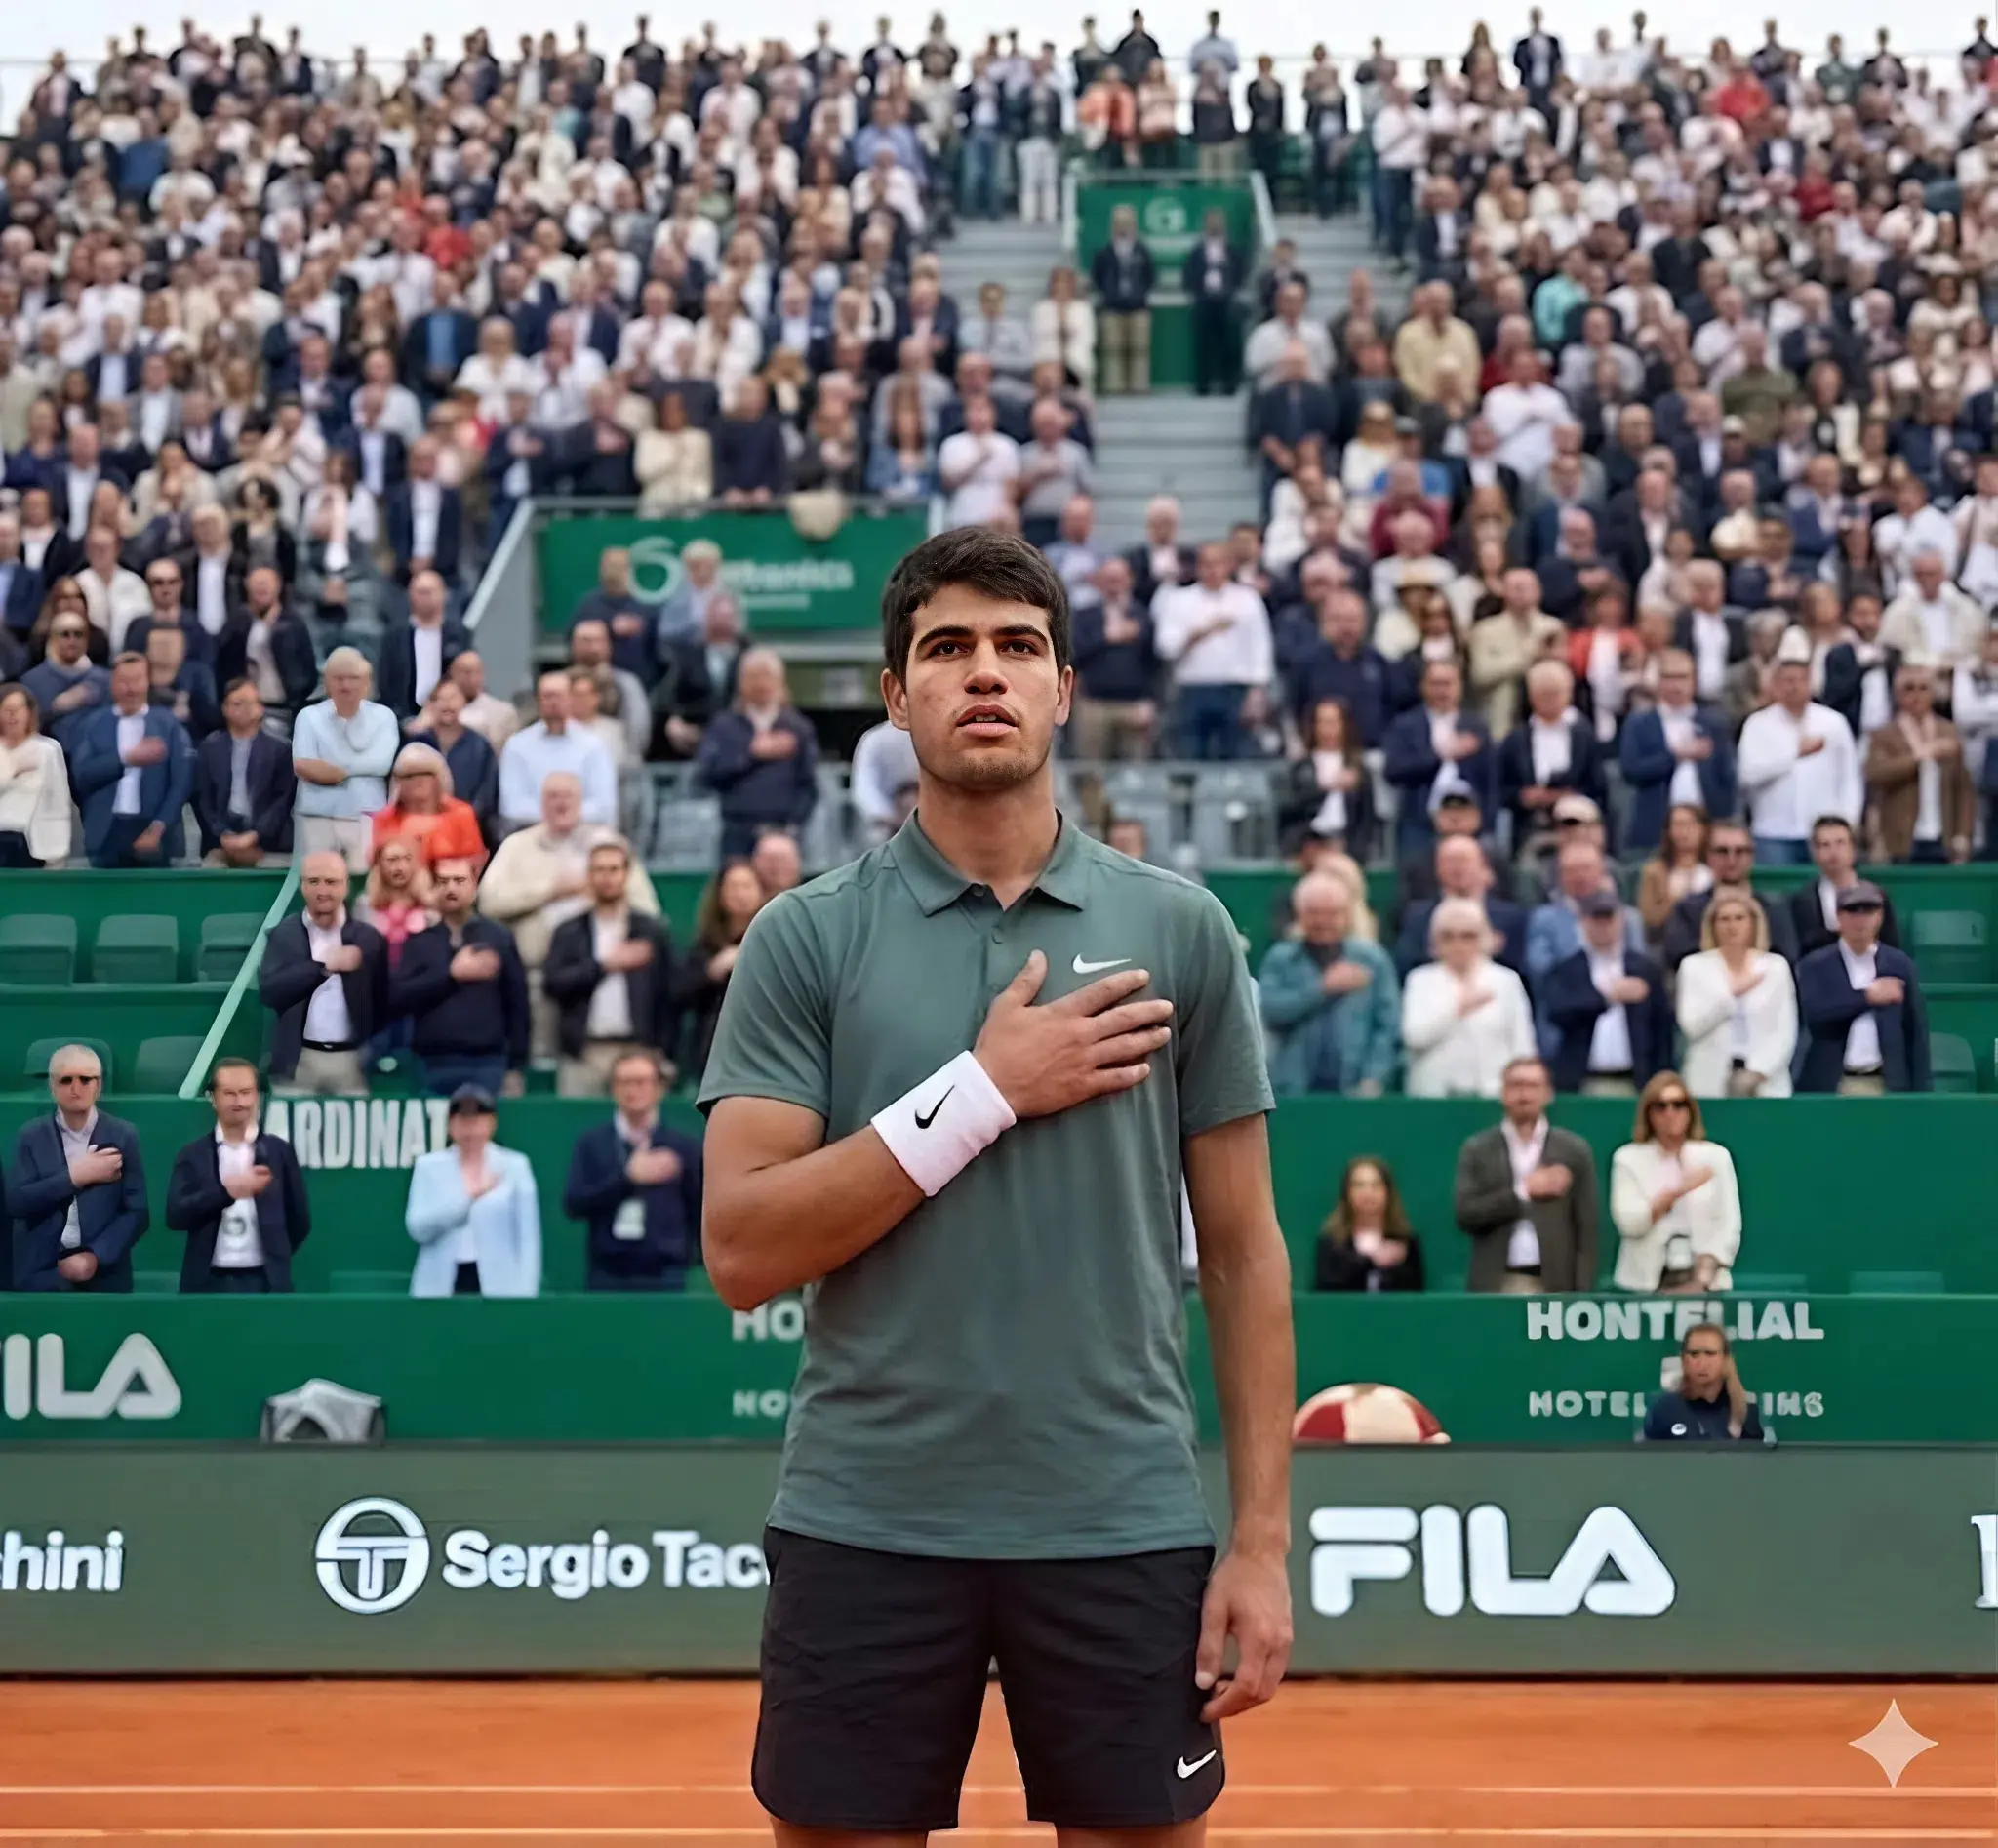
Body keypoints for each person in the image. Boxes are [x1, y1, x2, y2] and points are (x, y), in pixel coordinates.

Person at [699, 527, 1292, 1840]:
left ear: (1063, 688)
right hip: (865, 1515)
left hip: (1119, 1516)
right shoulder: (804, 935)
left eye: (1018, 646)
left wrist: (1259, 1545)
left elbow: (1246, 1253)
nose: (984, 672)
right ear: (896, 694)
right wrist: (981, 1091)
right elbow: (741, 1246)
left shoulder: (1181, 927)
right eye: (947, 647)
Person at [480, 772, 660, 1058]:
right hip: (535, 975)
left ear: (581, 801)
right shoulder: (517, 845)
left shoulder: (608, 843)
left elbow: (647, 908)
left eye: (568, 796)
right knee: (541, 1061)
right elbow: (488, 901)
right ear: (541, 803)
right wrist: (550, 891)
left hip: (604, 977)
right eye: (553, 796)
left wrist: (602, 893)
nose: (560, 803)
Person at [542, 837, 679, 1098]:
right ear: (589, 875)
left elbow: (667, 993)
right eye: (599, 870)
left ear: (627, 874)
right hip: (585, 1052)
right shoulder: (569, 931)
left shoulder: (650, 931)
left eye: (614, 869)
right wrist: (604, 966)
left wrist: (662, 1049)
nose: (607, 877)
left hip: (640, 1050)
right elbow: (554, 984)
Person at [1452, 1055, 1599, 1294]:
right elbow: (1465, 1214)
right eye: (1516, 1085)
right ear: (1503, 1092)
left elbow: (1587, 1228)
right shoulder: (1478, 1149)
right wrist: (1523, 1191)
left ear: (1548, 1093)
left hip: (1555, 1285)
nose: (1524, 1095)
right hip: (1497, 1282)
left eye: (1533, 1086)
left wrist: (1581, 1292)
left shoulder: (1573, 1150)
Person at [163, 1057, 311, 1294]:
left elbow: (299, 1220)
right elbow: (175, 1216)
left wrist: (275, 1254)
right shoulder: (192, 1155)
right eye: (229, 1093)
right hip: (207, 1283)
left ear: (257, 1097)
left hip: (266, 1283)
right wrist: (226, 1193)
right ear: (213, 1098)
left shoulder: (279, 1152)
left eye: (245, 1092)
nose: (239, 1101)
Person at [561, 1050, 705, 1292]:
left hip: (667, 1272)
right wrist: (627, 1179)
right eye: (624, 1082)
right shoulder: (592, 1143)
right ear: (613, 1088)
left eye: (641, 1082)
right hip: (608, 1272)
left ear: (659, 1088)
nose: (632, 1090)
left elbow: (699, 1207)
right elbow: (574, 1203)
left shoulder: (683, 1146)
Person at [9, 1044, 147, 1293]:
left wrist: (95, 1256)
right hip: (40, 1274)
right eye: (66, 1080)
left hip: (105, 1276)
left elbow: (137, 1212)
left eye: (85, 1079)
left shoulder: (124, 1135)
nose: (76, 1088)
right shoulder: (30, 1136)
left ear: (99, 1085)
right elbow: (17, 1202)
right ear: (52, 1086)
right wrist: (74, 1177)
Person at [392, 856, 531, 1097]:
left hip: (488, 1063)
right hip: (430, 1063)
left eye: (459, 881)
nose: (451, 888)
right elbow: (398, 997)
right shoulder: (419, 942)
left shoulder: (499, 938)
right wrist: (450, 974)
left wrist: (515, 1066)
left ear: (474, 887)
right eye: (443, 882)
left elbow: (518, 1005)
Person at [1256, 870, 1400, 1098]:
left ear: (1347, 916)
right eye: (1314, 913)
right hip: (1293, 1090)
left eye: (1332, 913)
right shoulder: (1280, 959)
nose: (1323, 922)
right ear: (1299, 915)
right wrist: (1322, 988)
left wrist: (1373, 1077)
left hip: (1357, 1089)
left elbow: (1388, 1026)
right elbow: (1272, 1011)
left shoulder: (1373, 960)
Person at [260, 850, 390, 1097]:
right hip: (298, 1061)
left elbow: (383, 1001)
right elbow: (270, 992)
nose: (322, 890)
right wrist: (321, 967)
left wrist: (370, 1052)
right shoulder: (283, 935)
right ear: (302, 886)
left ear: (346, 886)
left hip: (352, 1062)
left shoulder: (368, 939)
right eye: (314, 881)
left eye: (331, 882)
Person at [1610, 1074, 1742, 1296]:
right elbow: (1630, 1224)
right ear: (1648, 1113)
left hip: (1707, 1284)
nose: (1670, 1113)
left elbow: (1730, 1225)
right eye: (1661, 1106)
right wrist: (1676, 1191)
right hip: (1645, 1284)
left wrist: (1703, 1278)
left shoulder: (1716, 1157)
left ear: (1690, 1110)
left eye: (1678, 1105)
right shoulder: (1627, 1158)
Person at [1736, 632, 1861, 865]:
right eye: (1787, 681)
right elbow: (1747, 775)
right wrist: (1793, 754)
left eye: (1800, 680)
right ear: (1775, 684)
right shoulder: (1757, 724)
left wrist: (1847, 821)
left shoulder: (1833, 723)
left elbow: (1849, 778)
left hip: (1824, 834)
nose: (1794, 687)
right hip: (1773, 832)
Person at [405, 1084, 541, 1297]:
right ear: (450, 1125)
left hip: (500, 1287)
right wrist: (467, 1199)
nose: (470, 1129)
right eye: (463, 1121)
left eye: (477, 1120)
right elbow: (417, 1228)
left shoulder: (515, 1166)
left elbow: (528, 1238)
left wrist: (526, 1291)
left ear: (492, 1123)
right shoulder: (428, 1167)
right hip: (440, 1286)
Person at [1795, 881, 1932, 1094]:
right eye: (1852, 911)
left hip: (1885, 1083)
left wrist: (1922, 1091)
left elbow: (1915, 1032)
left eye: (1868, 911)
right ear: (1838, 917)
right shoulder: (1814, 965)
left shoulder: (1899, 965)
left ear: (1880, 916)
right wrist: (1868, 998)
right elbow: (1814, 1014)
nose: (1860, 919)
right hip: (1831, 1083)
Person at [1541, 890, 1675, 1097]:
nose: (1603, 927)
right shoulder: (1568, 970)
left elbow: (1661, 1028)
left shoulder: (1644, 969)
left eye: (1609, 919)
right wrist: (1606, 998)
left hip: (1636, 1079)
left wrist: (1660, 1078)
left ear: (1621, 921)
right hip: (1582, 1079)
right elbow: (1558, 1012)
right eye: (1596, 920)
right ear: (1584, 923)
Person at [1401, 897, 1537, 1098]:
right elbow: (1414, 1037)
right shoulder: (1420, 980)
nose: (1458, 944)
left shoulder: (1506, 980)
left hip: (1494, 1095)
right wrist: (1458, 1009)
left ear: (1483, 938)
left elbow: (1522, 1045)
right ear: (1435, 941)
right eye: (1448, 936)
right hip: (1434, 1096)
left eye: (1468, 936)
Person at [69, 651, 193, 867]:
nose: (131, 688)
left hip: (156, 832)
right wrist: (125, 759)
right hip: (106, 831)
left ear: (148, 682)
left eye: (137, 680)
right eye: (124, 681)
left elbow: (181, 784)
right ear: (112, 683)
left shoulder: (168, 725)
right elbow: (82, 777)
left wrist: (158, 827)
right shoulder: (93, 724)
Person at [694, 647, 820, 859]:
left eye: (767, 676)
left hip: (784, 835)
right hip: (737, 834)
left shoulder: (798, 728)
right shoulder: (724, 727)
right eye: (754, 677)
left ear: (780, 682)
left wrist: (793, 825)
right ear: (741, 682)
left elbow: (809, 785)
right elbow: (706, 775)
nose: (761, 684)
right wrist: (750, 754)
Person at [1677, 893, 1798, 1099]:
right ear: (1712, 925)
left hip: (1767, 1083)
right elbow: (1692, 1027)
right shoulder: (1693, 966)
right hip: (1708, 1083)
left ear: (1753, 923)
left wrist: (1758, 1071)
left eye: (1740, 918)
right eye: (1724, 919)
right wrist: (1731, 995)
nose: (1732, 925)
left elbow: (1785, 1030)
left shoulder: (1775, 967)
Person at [291, 647, 400, 871]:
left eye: (354, 678)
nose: (346, 685)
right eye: (339, 678)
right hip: (315, 815)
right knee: (317, 877)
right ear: (326, 681)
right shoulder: (308, 717)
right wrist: (356, 768)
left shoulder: (384, 716)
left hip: (365, 813)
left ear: (367, 681)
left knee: (362, 878)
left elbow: (381, 764)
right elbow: (302, 764)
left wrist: (333, 771)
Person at [1867, 662, 1976, 864]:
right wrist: (1920, 757)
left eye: (1923, 688)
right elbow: (1876, 774)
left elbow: (1963, 790)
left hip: (1943, 834)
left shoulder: (1948, 732)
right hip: (1901, 837)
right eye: (1909, 688)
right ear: (1897, 695)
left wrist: (1963, 834)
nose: (1916, 695)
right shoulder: (1884, 735)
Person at [673, 858, 769, 1082]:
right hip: (714, 1047)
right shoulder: (704, 946)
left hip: (762, 1044)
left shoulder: (774, 939)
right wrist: (712, 971)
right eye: (733, 887)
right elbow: (679, 993)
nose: (741, 894)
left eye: (747, 886)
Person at [499, 667, 619, 829]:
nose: (554, 702)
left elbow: (603, 806)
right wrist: (557, 817)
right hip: (531, 834)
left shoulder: (593, 744)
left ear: (571, 699)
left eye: (560, 696)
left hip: (583, 833)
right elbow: (512, 806)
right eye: (548, 696)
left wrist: (564, 818)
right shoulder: (517, 745)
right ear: (538, 700)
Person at [1394, 836, 1528, 980]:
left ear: (1483, 867)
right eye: (1449, 861)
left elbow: (1523, 969)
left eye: (1464, 860)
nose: (1457, 868)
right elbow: (1405, 964)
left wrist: (1493, 951)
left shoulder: (1512, 918)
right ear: (1437, 869)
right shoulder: (1417, 917)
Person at [193, 678, 295, 865]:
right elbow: (203, 800)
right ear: (225, 709)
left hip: (269, 844)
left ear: (261, 708)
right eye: (238, 703)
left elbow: (282, 802)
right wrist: (223, 835)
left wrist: (255, 835)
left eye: (252, 703)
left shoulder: (281, 749)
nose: (246, 709)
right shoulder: (209, 748)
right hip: (220, 843)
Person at [1786, 815, 1902, 958]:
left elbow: (1891, 946)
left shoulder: (1877, 895)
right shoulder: (1803, 900)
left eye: (1840, 843)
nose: (1833, 852)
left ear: (1853, 848)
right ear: (1814, 853)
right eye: (1825, 845)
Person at [1313, 1155, 1424, 1292]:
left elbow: (1414, 1292)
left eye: (1375, 1185)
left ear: (1388, 1192)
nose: (1368, 1193)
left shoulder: (1405, 1241)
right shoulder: (1331, 1242)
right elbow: (1326, 1288)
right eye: (1359, 1185)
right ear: (1347, 1193)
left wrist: (1394, 1267)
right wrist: (1370, 1262)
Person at [370, 741, 486, 869]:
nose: (418, 780)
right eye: (409, 775)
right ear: (397, 782)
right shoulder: (385, 818)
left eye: (426, 773)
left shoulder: (462, 814)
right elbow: (377, 866)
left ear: (439, 778)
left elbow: (474, 863)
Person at [1640, 1322, 1764, 1442]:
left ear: (1725, 1360)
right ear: (1683, 1360)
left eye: (1710, 1354)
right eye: (1694, 1354)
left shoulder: (1745, 1412)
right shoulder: (1664, 1409)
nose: (1702, 1363)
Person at [0, 682, 72, 865]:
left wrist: (58, 853)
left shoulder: (48, 750)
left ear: (29, 712)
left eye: (18, 709)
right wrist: (13, 770)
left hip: (33, 843)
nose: (12, 715)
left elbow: (58, 802)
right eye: (6, 709)